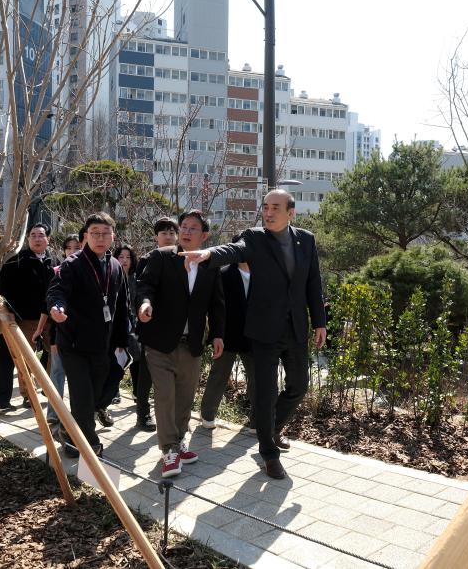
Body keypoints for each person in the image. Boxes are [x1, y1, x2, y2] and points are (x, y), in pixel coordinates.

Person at [181, 189, 326, 480]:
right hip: (263, 330)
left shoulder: (306, 239)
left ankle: (271, 429)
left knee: (299, 386)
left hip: (295, 328)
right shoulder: (255, 237)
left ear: (290, 212)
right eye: (265, 207)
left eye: (275, 208)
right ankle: (268, 453)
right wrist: (208, 254)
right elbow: (233, 250)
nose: (268, 212)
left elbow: (313, 282)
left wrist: (319, 322)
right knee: (265, 392)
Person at [136, 209, 225, 478]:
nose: (186, 231)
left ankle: (178, 440)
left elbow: (217, 304)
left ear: (204, 235)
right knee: (165, 396)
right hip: (160, 343)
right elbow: (145, 286)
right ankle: (169, 451)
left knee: (185, 398)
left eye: (193, 228)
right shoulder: (162, 257)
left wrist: (218, 334)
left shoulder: (211, 264)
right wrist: (145, 303)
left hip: (192, 344)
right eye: (183, 226)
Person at [47, 213, 130, 458]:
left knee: (98, 393)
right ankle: (90, 446)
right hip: (74, 343)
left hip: (102, 344)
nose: (100, 238)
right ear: (86, 236)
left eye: (105, 234)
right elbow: (57, 291)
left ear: (113, 236)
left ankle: (68, 432)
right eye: (95, 234)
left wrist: (122, 340)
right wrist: (57, 307)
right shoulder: (72, 264)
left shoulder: (115, 266)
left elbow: (121, 306)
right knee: (82, 395)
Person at [0, 223, 56, 412]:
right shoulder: (16, 261)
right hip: (27, 318)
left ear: (48, 239)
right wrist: (11, 312)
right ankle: (29, 394)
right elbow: (4, 289)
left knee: (55, 355)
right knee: (27, 358)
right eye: (33, 235)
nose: (37, 239)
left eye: (41, 235)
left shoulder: (53, 261)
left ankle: (50, 389)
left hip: (52, 318)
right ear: (27, 239)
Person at [199, 236, 255, 431]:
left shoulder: (262, 273)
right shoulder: (223, 273)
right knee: (219, 376)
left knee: (257, 378)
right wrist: (216, 334)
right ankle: (207, 415)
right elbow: (214, 307)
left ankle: (257, 419)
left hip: (253, 336)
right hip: (226, 335)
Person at [132, 217, 179, 432]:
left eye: (171, 233)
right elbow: (141, 290)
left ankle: (172, 417)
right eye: (163, 233)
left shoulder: (182, 257)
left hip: (176, 325)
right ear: (156, 237)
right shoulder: (148, 259)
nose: (168, 237)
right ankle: (143, 413)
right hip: (151, 323)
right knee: (147, 373)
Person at [95, 243, 140, 426]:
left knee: (120, 368)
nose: (124, 261)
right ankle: (100, 405)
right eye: (121, 257)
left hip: (127, 331)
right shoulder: (107, 275)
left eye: (128, 257)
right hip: (104, 333)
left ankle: (101, 405)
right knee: (107, 371)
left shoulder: (136, 280)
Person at [46, 234, 81, 425]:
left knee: (79, 377)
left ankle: (80, 415)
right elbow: (49, 307)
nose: (73, 251)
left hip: (83, 335)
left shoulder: (90, 271)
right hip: (61, 333)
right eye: (69, 248)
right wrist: (52, 339)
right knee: (57, 373)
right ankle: (54, 413)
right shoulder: (56, 272)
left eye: (77, 247)